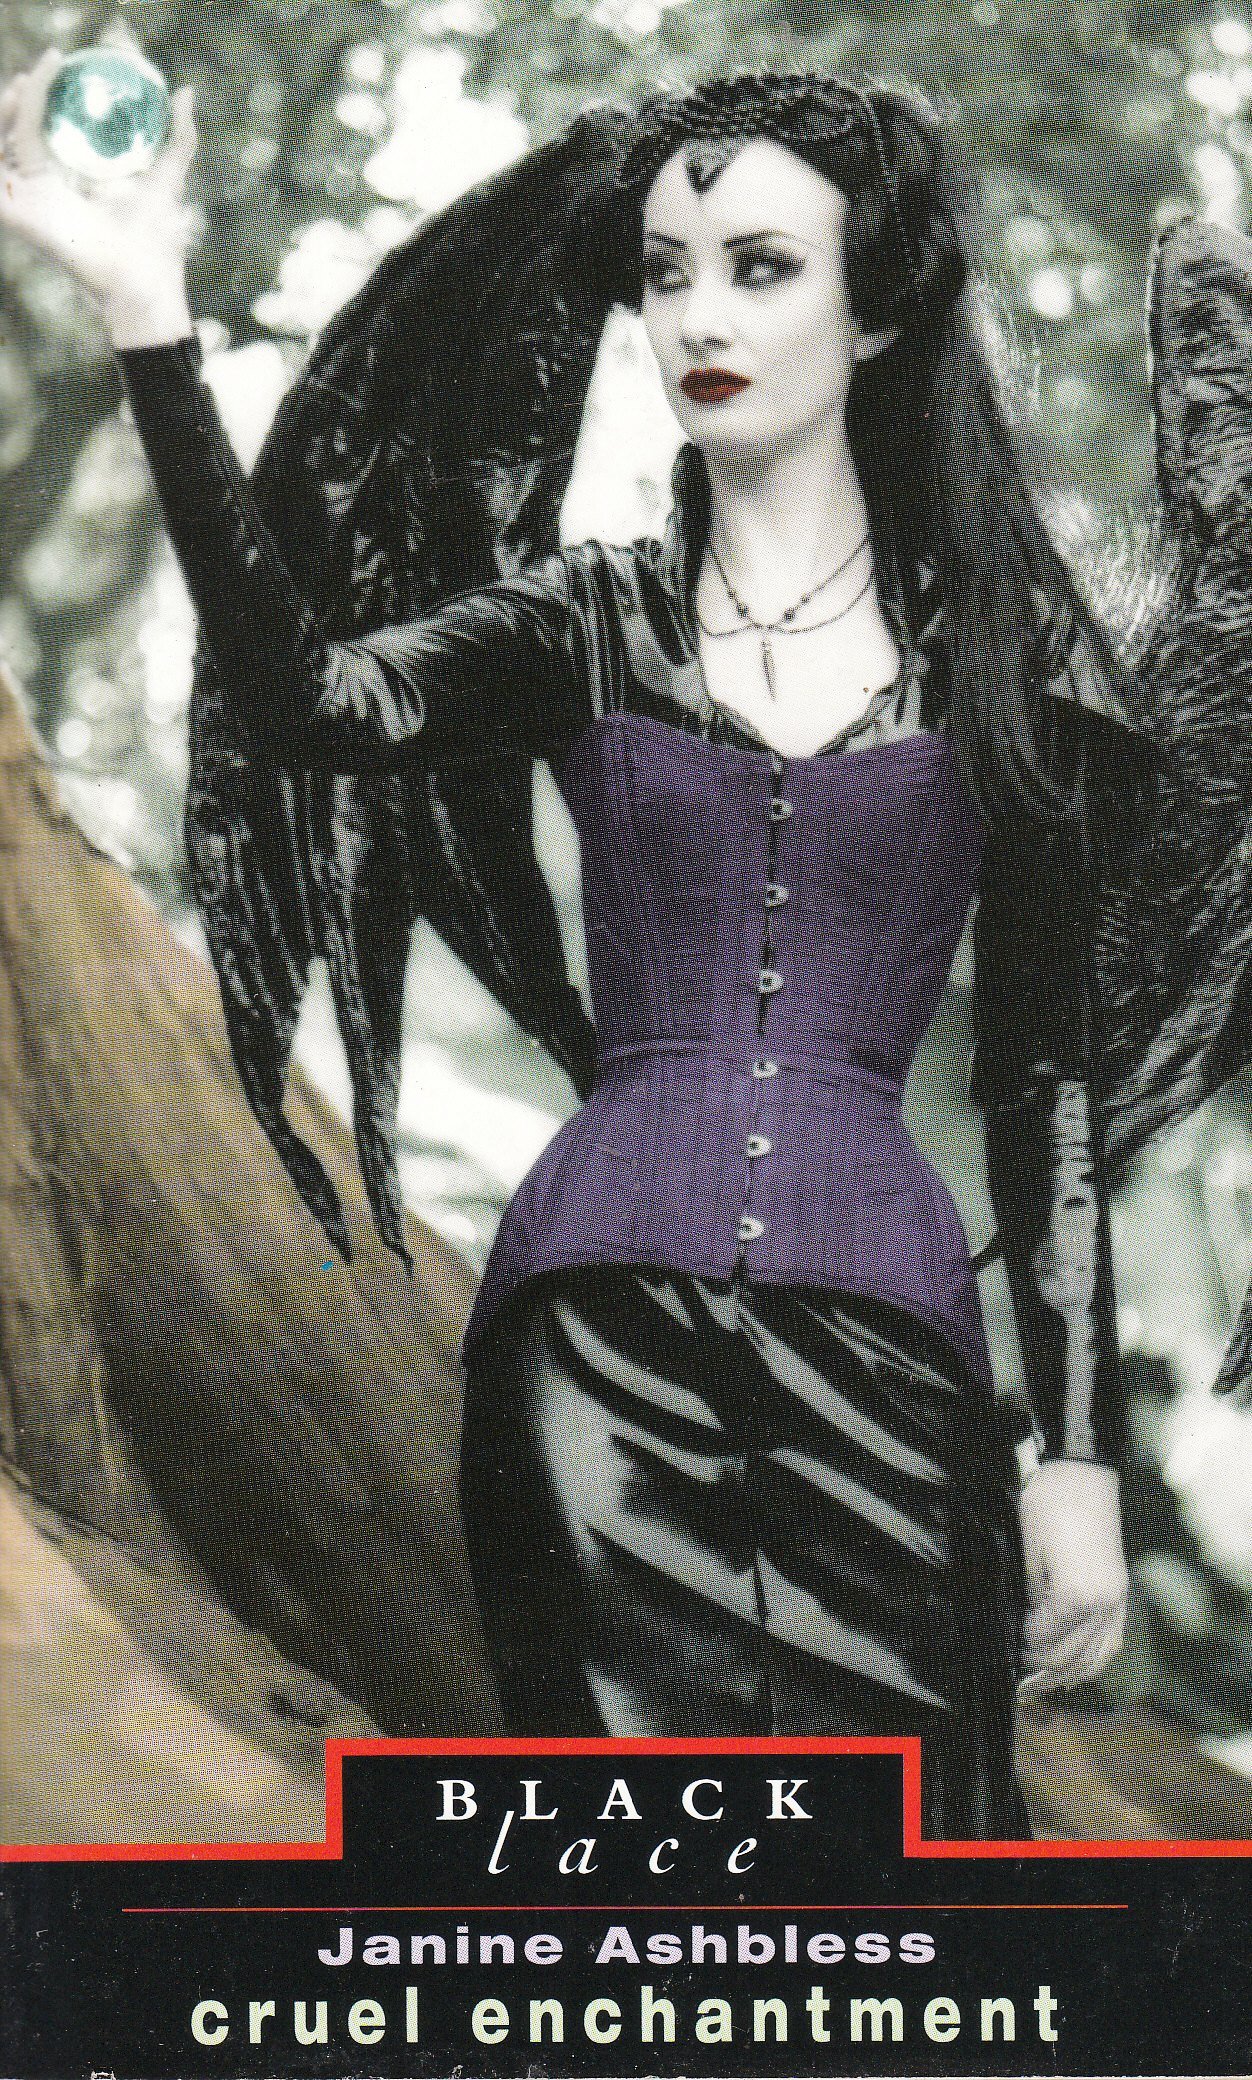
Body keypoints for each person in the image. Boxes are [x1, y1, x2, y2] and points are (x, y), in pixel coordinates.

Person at [1, 50, 1206, 1839]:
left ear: (880, 312)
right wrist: (148, 317)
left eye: (760, 268)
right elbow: (310, 697)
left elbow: (1048, 1083)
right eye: (665, 272)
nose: (697, 315)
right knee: (634, 1894)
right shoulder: (589, 618)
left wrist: (1082, 1457)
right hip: (598, 1361)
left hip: (894, 1365)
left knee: (924, 1892)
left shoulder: (1009, 660)